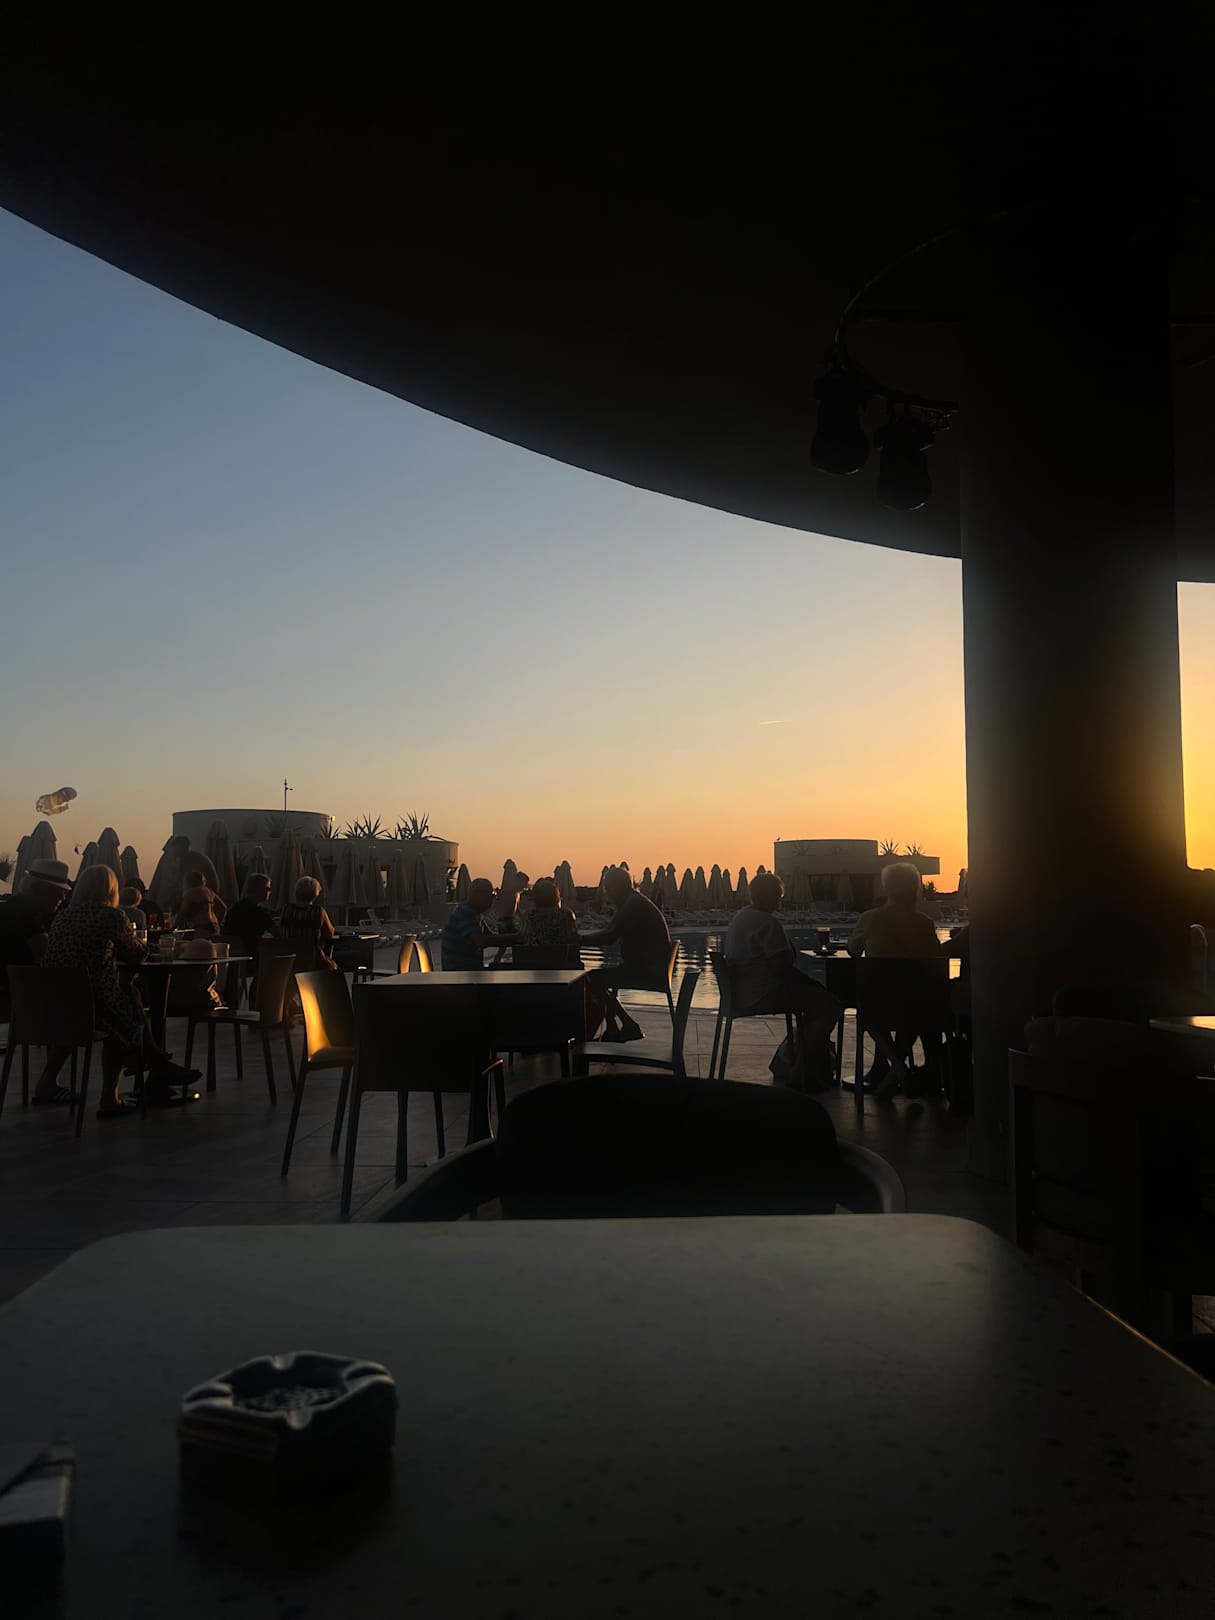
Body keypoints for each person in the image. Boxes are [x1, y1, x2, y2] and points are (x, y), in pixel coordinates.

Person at [40, 864, 199, 1114]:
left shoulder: (62, 917)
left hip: (57, 1002)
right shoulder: (111, 916)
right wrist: (151, 947)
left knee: (127, 995)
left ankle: (48, 1082)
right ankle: (112, 1096)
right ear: (111, 890)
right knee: (125, 1014)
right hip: (91, 1005)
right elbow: (136, 955)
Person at [722, 871, 841, 1090]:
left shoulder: (741, 917)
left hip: (740, 993)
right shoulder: (767, 923)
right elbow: (782, 969)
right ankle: (805, 1072)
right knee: (829, 1004)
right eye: (779, 895)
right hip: (763, 993)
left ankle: (796, 1062)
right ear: (775, 896)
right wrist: (812, 983)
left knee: (816, 1003)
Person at [848, 861, 944, 1098]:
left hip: (878, 1005)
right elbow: (937, 958)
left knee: (871, 1015)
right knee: (919, 1014)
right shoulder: (923, 923)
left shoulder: (870, 918)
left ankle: (896, 1069)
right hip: (916, 1004)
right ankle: (914, 1075)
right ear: (915, 889)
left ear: (886, 888)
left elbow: (853, 950)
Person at [578, 867, 672, 1041]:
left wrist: (578, 940)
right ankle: (616, 1026)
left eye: (607, 888)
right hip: (646, 967)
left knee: (591, 978)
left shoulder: (633, 904)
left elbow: (609, 937)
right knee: (597, 978)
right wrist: (581, 939)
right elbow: (609, 932)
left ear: (616, 887)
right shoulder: (632, 901)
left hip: (647, 972)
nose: (606, 893)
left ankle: (625, 1025)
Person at [0, 858, 72, 976]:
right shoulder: (28, 916)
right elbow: (47, 955)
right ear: (36, 888)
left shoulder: (12, 906)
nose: (62, 898)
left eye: (64, 893)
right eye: (56, 892)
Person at [441, 877, 518, 969]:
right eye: (491, 895)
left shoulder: (475, 914)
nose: (493, 899)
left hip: (468, 970)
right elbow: (482, 941)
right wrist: (516, 937)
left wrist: (514, 937)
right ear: (479, 896)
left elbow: (491, 936)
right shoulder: (466, 913)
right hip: (460, 972)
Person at [279, 876, 337, 970]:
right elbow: (330, 933)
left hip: (288, 959)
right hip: (313, 959)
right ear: (315, 894)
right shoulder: (318, 911)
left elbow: (281, 929)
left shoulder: (287, 910)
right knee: (334, 968)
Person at [224, 872, 279, 960]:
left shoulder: (236, 907)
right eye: (268, 889)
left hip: (232, 954)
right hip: (251, 955)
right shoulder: (258, 913)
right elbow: (278, 933)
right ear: (259, 889)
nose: (270, 892)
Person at [175, 871, 227, 939]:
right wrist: (218, 923)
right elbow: (223, 908)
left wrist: (174, 928)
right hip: (215, 926)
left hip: (202, 927)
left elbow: (182, 914)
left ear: (188, 882)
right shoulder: (210, 892)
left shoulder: (190, 893)